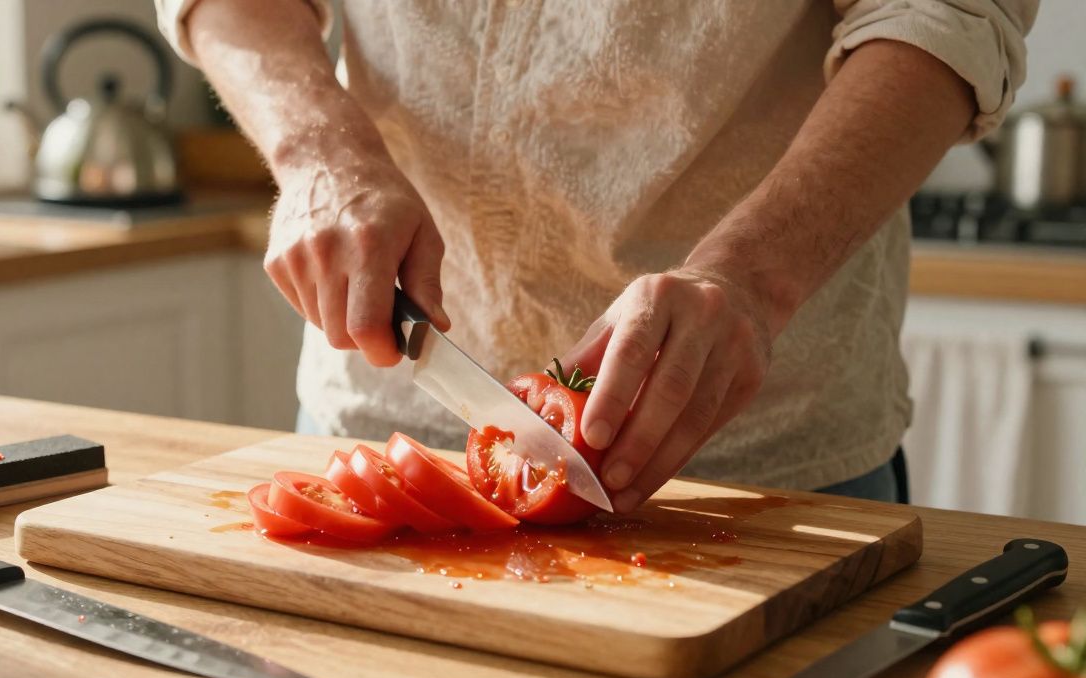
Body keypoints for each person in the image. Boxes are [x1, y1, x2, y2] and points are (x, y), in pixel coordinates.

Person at [157, 0, 1036, 512]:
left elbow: (947, 14)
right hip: (381, 428)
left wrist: (750, 276)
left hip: (762, 449)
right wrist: (317, 149)